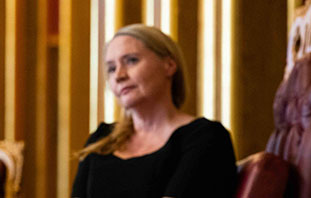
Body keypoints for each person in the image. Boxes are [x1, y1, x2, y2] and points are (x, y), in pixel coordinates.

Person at [71, 24, 237, 198]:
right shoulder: (101, 139)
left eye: (131, 60)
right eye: (111, 68)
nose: (119, 76)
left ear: (169, 65)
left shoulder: (205, 137)